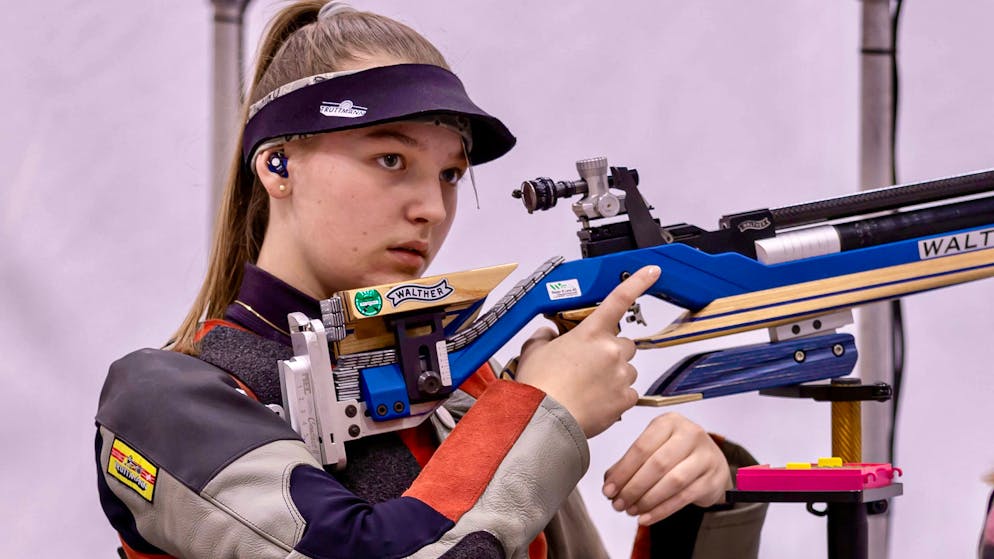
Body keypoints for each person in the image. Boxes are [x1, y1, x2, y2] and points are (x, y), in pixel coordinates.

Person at [94, 2, 766, 557]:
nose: (432, 207)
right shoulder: (166, 402)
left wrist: (701, 498)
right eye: (390, 158)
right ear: (277, 166)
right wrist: (541, 409)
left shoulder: (468, 386)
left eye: (450, 173)